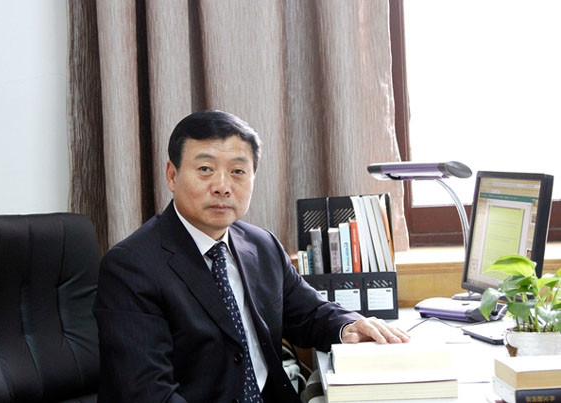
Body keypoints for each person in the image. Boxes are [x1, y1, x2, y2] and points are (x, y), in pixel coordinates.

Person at [94, 110, 410, 403]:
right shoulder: (130, 267)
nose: (222, 187)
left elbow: (309, 313)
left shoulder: (261, 245)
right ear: (172, 176)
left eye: (237, 171)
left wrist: (349, 326)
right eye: (205, 169)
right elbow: (148, 393)